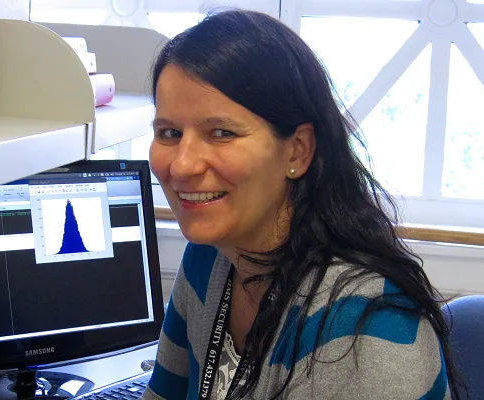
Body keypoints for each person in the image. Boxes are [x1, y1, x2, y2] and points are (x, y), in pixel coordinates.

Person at [141, 9, 462, 400]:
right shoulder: (209, 257)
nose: (182, 165)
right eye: (169, 133)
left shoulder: (371, 334)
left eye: (221, 132)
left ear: (297, 150)